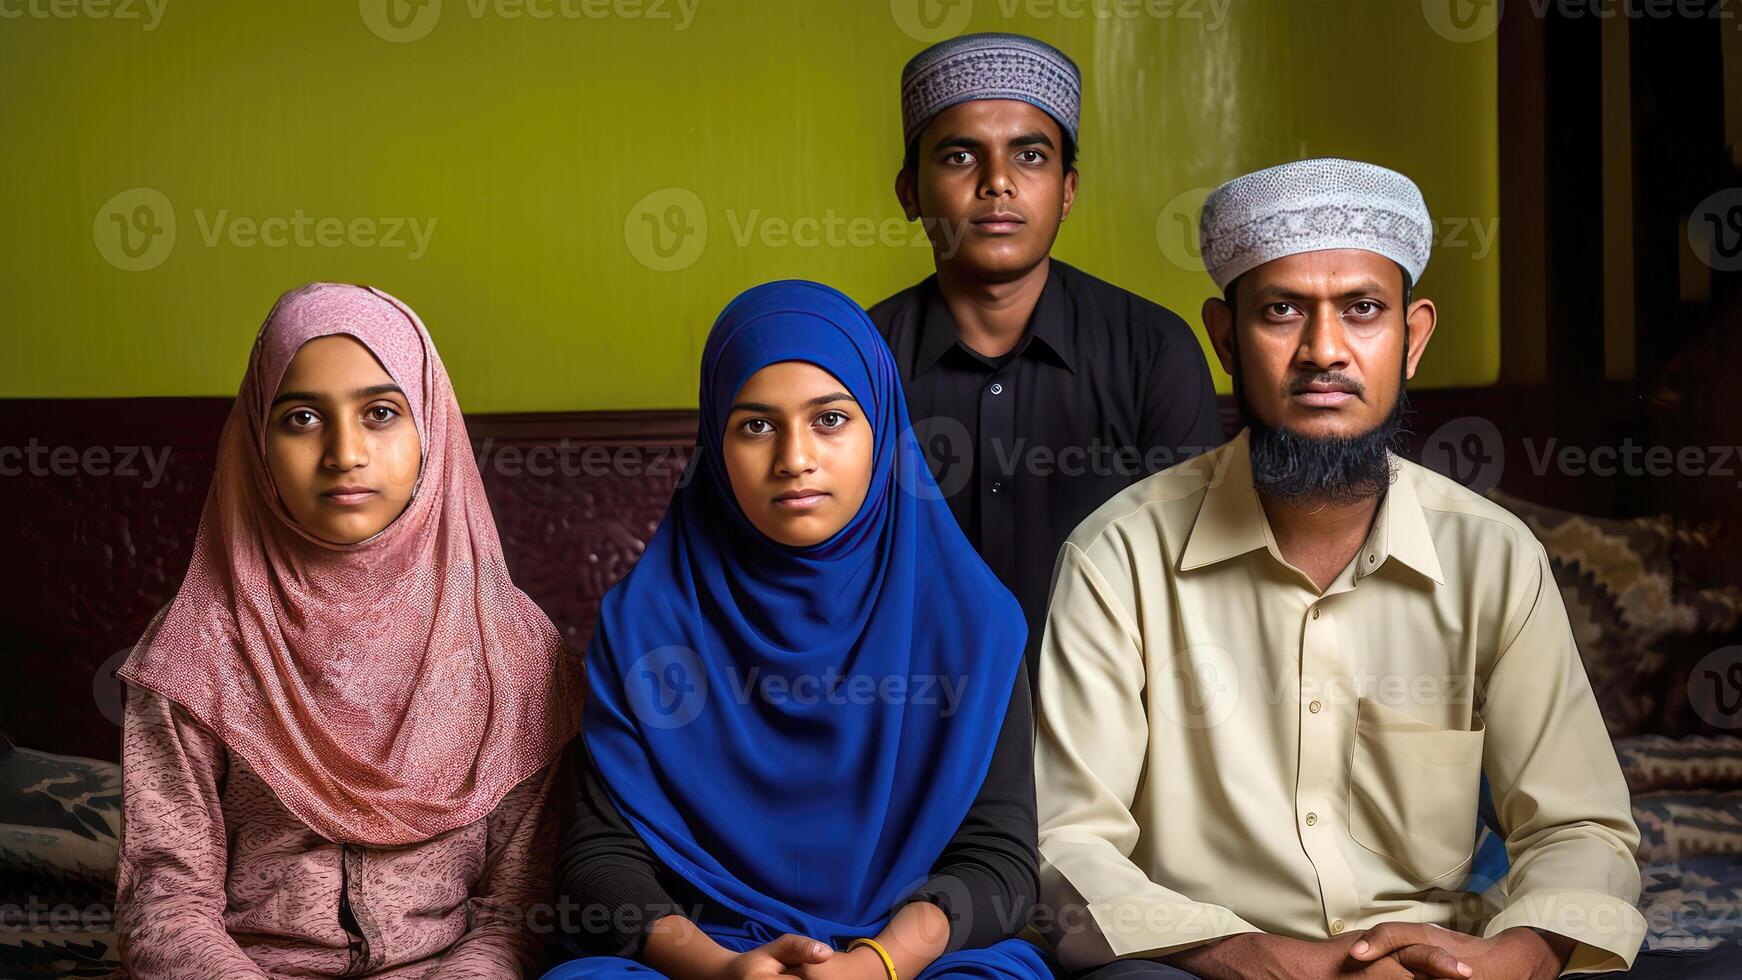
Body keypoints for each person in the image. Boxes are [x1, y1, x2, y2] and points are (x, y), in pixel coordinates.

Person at [1031, 159, 1725, 978]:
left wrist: (1516, 955)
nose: (1324, 351)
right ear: (1225, 337)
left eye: (1363, 310)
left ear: (1414, 335)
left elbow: (1579, 828)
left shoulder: (1493, 558)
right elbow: (1065, 842)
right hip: (1201, 965)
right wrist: (1250, 954)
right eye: (1282, 310)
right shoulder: (1118, 558)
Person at [545, 280, 1051, 980]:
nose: (794, 459)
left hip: (906, 958)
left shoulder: (973, 624)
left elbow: (999, 861)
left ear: (882, 425)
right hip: (706, 954)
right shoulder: (646, 626)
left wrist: (877, 964)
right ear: (713, 445)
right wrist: (721, 968)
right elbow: (599, 860)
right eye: (755, 425)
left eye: (831, 420)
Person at [115, 282, 582, 978]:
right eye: (302, 417)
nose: (344, 453)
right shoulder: (197, 647)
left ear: (431, 426)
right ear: (257, 441)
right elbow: (164, 898)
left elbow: (520, 909)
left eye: (382, 413)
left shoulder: (510, 650)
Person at [870, 33, 1224, 679]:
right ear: (910, 192)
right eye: (958, 156)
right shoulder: (861, 363)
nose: (997, 183)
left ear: (1066, 191)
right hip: (915, 731)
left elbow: (1191, 584)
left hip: (1113, 730)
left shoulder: (1153, 351)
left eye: (1029, 155)